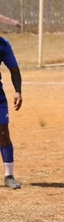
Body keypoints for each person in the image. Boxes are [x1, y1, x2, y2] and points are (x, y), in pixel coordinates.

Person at [0, 37, 23, 190]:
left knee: (3, 134)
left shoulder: (3, 44)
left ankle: (9, 176)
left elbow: (14, 70)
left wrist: (17, 92)